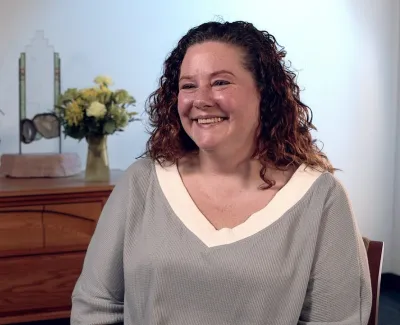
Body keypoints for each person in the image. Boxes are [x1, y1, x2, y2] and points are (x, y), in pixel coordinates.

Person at [70, 20, 372, 325]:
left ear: (264, 93)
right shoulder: (141, 182)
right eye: (188, 85)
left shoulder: (321, 198)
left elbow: (337, 319)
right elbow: (95, 306)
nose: (201, 100)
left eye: (221, 82)